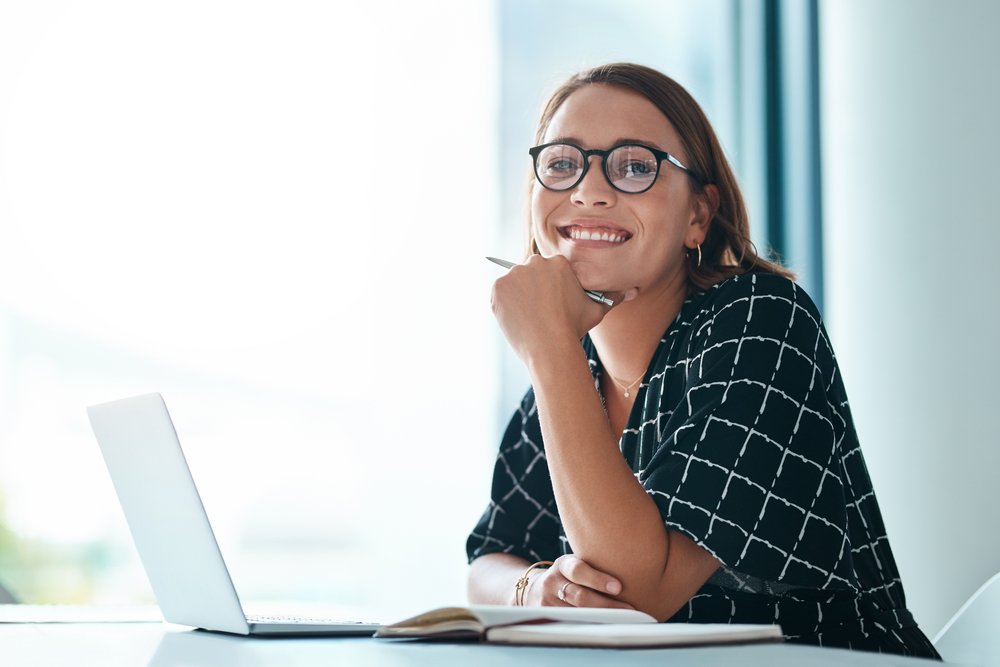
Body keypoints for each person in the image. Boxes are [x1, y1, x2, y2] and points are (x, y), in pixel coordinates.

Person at [465, 62, 939, 658]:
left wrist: (550, 347)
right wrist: (533, 587)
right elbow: (489, 556)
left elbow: (635, 595)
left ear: (698, 215)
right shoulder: (572, 370)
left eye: (635, 166)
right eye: (562, 163)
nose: (588, 189)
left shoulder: (762, 322)